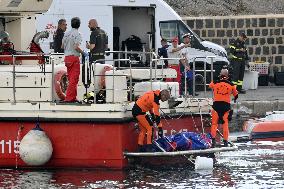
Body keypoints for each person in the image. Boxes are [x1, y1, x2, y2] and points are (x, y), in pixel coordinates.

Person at [209, 69, 238, 147]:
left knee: (214, 124)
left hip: (216, 106)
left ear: (220, 75)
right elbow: (236, 94)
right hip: (226, 107)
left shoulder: (215, 82)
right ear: (228, 76)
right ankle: (225, 142)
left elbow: (210, 85)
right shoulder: (231, 85)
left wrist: (217, 79)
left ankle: (213, 142)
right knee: (225, 124)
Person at [62, 17, 87, 103]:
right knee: (74, 79)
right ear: (79, 25)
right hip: (74, 58)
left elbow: (62, 46)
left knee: (70, 78)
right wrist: (83, 53)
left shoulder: (66, 34)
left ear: (71, 24)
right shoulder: (78, 34)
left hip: (67, 58)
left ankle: (72, 97)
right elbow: (76, 47)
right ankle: (69, 98)